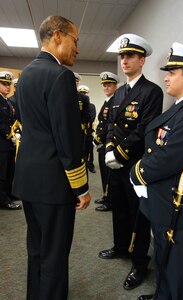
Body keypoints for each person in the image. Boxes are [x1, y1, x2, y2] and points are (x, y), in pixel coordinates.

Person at [12, 15, 91, 300]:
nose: (77, 48)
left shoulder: (25, 74)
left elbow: (23, 122)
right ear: (58, 36)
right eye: (75, 40)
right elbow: (67, 139)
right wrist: (81, 187)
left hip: (28, 180)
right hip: (54, 183)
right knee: (55, 254)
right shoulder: (60, 76)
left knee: (37, 248)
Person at [130, 42, 183, 300]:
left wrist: (138, 172)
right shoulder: (181, 108)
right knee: (164, 261)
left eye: (172, 72)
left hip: (179, 207)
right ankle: (162, 295)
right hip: (164, 202)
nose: (166, 77)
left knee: (180, 273)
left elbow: (170, 158)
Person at [98, 34, 163, 290]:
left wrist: (120, 153)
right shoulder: (120, 91)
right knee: (119, 209)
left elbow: (145, 128)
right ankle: (120, 247)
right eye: (122, 56)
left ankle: (139, 263)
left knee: (138, 215)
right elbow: (113, 126)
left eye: (130, 56)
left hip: (135, 165)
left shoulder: (151, 92)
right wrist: (110, 148)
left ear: (141, 60)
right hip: (116, 164)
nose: (124, 60)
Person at [93, 71, 120, 212]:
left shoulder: (115, 102)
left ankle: (110, 201)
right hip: (102, 143)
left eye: (109, 85)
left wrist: (98, 139)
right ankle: (106, 195)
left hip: (107, 143)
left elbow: (109, 124)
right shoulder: (107, 101)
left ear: (115, 86)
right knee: (104, 173)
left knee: (109, 175)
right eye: (104, 85)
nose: (106, 88)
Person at [0, 71, 21, 210]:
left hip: (9, 144)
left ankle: (8, 194)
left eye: (9, 84)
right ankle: (3, 200)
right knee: (1, 174)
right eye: (4, 84)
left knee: (9, 172)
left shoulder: (7, 101)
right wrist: (10, 135)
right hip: (2, 143)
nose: (7, 87)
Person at [78, 85, 97, 173]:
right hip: (78, 132)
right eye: (81, 93)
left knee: (89, 149)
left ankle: (90, 165)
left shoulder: (91, 106)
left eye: (85, 93)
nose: (83, 95)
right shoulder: (75, 105)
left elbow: (92, 117)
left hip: (88, 131)